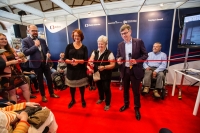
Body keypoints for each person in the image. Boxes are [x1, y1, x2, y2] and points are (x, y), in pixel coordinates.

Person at [116, 24, 148, 120]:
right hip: (125, 70)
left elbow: (145, 55)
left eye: (125, 33)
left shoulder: (138, 42)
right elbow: (118, 56)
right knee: (125, 90)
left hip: (135, 70)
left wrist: (137, 61)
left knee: (136, 91)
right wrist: (119, 59)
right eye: (122, 34)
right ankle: (126, 104)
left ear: (130, 32)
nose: (124, 35)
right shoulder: (120, 45)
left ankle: (137, 108)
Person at [22, 25, 59, 102]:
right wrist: (35, 46)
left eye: (36, 30)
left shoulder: (42, 40)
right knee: (40, 80)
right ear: (28, 31)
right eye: (33, 31)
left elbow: (47, 49)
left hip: (45, 63)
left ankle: (51, 93)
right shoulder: (25, 41)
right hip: (36, 65)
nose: (35, 32)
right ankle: (43, 96)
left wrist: (48, 53)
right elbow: (25, 52)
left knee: (49, 79)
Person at [0, 33, 30, 103]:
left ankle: (29, 104)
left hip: (17, 72)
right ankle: (16, 108)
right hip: (7, 74)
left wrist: (20, 60)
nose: (4, 40)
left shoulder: (11, 50)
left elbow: (16, 59)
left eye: (5, 39)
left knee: (25, 87)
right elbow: (1, 65)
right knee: (12, 93)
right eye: (2, 39)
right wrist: (13, 62)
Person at [89, 35, 115, 111]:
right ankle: (101, 98)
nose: (100, 45)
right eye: (99, 43)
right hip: (97, 73)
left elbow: (113, 65)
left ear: (106, 44)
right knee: (99, 87)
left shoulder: (110, 53)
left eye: (102, 44)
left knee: (106, 88)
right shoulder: (94, 52)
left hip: (106, 74)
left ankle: (107, 103)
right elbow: (91, 59)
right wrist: (90, 63)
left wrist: (104, 67)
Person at [64, 29, 88, 108]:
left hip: (80, 70)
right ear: (73, 37)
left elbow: (85, 60)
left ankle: (82, 99)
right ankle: (73, 100)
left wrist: (77, 61)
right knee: (72, 87)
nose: (76, 37)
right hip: (71, 70)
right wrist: (71, 62)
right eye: (75, 35)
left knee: (81, 87)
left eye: (78, 35)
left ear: (81, 37)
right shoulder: (69, 46)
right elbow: (65, 58)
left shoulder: (84, 47)